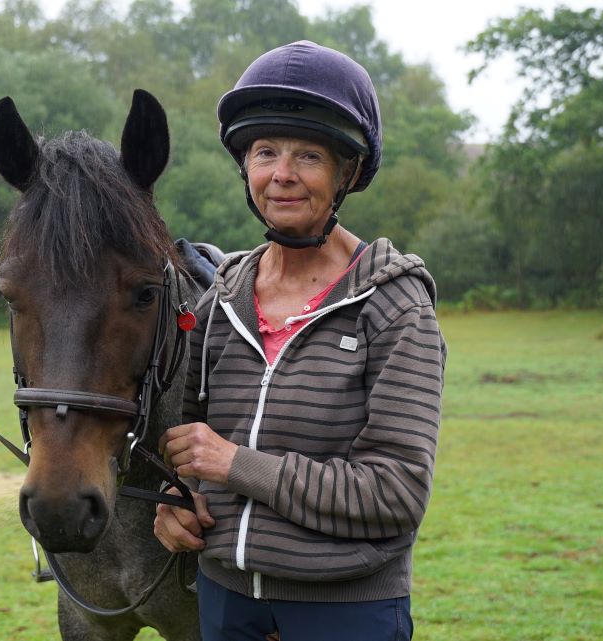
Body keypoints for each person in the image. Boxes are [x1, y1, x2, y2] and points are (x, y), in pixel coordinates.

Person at [154, 40, 446, 641]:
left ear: (349, 172)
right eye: (265, 152)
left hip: (344, 611)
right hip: (226, 602)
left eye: (308, 156)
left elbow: (396, 492)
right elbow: (188, 453)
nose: (281, 174)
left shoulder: (395, 306)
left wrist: (238, 465)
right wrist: (175, 500)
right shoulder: (221, 301)